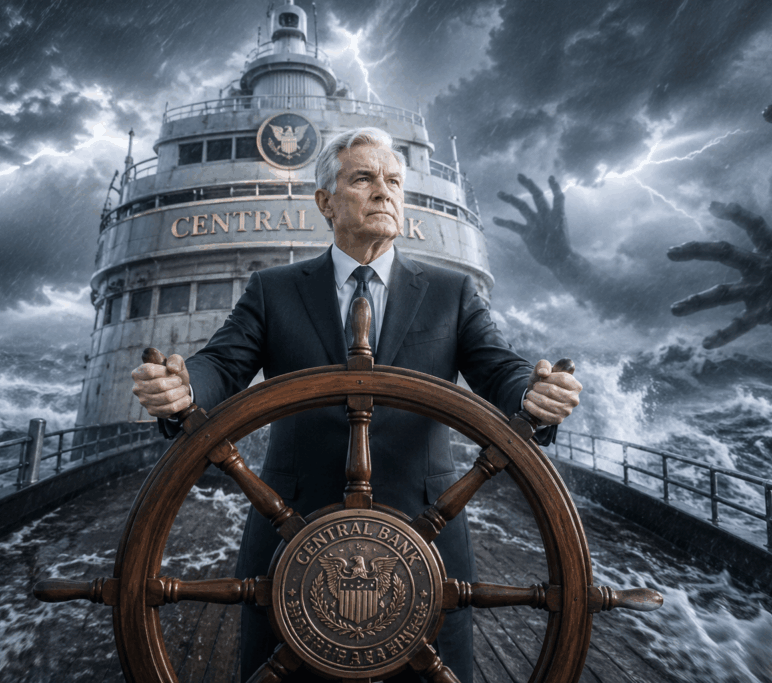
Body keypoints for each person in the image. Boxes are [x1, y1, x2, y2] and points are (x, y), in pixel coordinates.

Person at [131, 127, 582, 683]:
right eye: (363, 178)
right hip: (292, 530)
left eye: (393, 181)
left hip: (425, 535)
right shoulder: (273, 290)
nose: (384, 192)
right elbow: (220, 366)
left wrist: (534, 393)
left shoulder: (452, 293)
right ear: (325, 200)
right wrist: (183, 388)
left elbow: (500, 368)